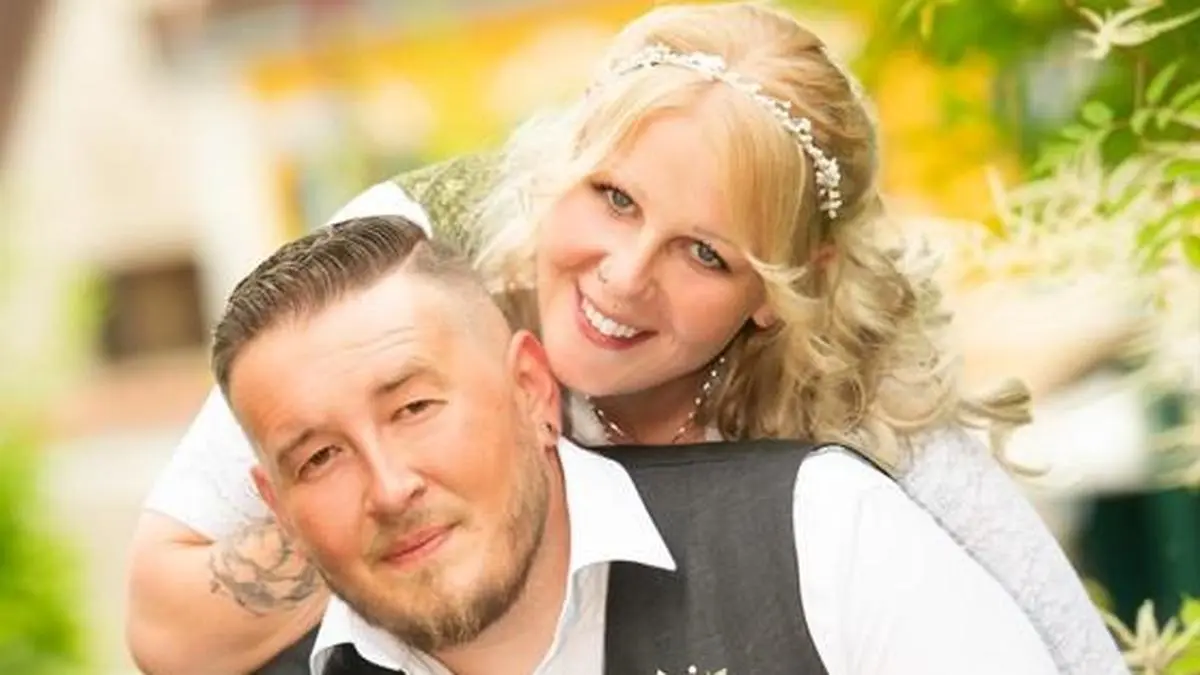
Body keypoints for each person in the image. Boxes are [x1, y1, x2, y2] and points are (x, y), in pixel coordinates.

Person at [125, 3, 1125, 675]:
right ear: (567, 157)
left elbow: (1072, 649)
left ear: (779, 292)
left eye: (704, 253)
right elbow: (163, 622)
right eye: (613, 197)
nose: (624, 274)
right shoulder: (408, 265)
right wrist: (410, 495)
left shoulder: (861, 436)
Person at [219, 213, 1059, 674]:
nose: (388, 485)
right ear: (278, 507)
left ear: (531, 391)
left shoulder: (817, 531)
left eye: (414, 407)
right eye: (319, 457)